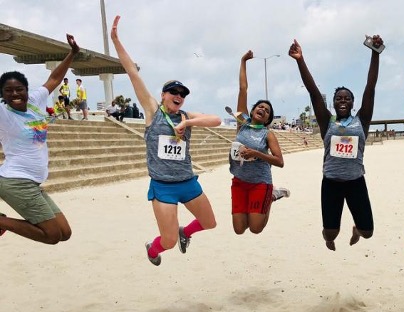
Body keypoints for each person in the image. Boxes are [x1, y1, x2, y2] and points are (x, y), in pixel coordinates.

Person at [111, 15, 220, 266]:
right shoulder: (153, 110)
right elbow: (132, 72)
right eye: (174, 92)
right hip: (163, 187)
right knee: (168, 242)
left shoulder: (185, 115)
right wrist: (116, 40)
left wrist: (189, 123)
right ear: (163, 95)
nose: (178, 96)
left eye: (182, 94)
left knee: (210, 223)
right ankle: (152, 249)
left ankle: (186, 232)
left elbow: (215, 120)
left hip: (188, 182)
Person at [289, 35, 383, 251]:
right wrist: (300, 60)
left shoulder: (362, 120)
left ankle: (357, 230)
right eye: (338, 98)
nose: (342, 100)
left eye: (346, 98)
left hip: (356, 182)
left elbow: (371, 87)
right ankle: (329, 237)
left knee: (368, 232)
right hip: (331, 183)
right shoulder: (326, 121)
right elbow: (313, 92)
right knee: (330, 233)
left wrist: (375, 53)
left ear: (353, 103)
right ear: (333, 102)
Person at [0, 34, 79, 244]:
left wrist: (72, 54)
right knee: (52, 236)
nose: (14, 94)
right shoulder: (3, 113)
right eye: (8, 91)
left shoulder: (36, 101)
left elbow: (54, 79)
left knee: (65, 233)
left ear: (27, 90)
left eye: (19, 89)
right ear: (2, 94)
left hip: (33, 182)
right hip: (16, 181)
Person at [229, 50, 290, 235]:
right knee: (239, 229)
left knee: (255, 229)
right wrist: (243, 61)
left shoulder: (267, 134)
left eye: (267, 110)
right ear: (253, 110)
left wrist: (257, 154)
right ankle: (262, 201)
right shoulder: (242, 124)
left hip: (260, 183)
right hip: (239, 181)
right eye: (260, 107)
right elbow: (243, 89)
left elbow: (280, 162)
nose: (262, 109)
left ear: (267, 119)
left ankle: (271, 196)